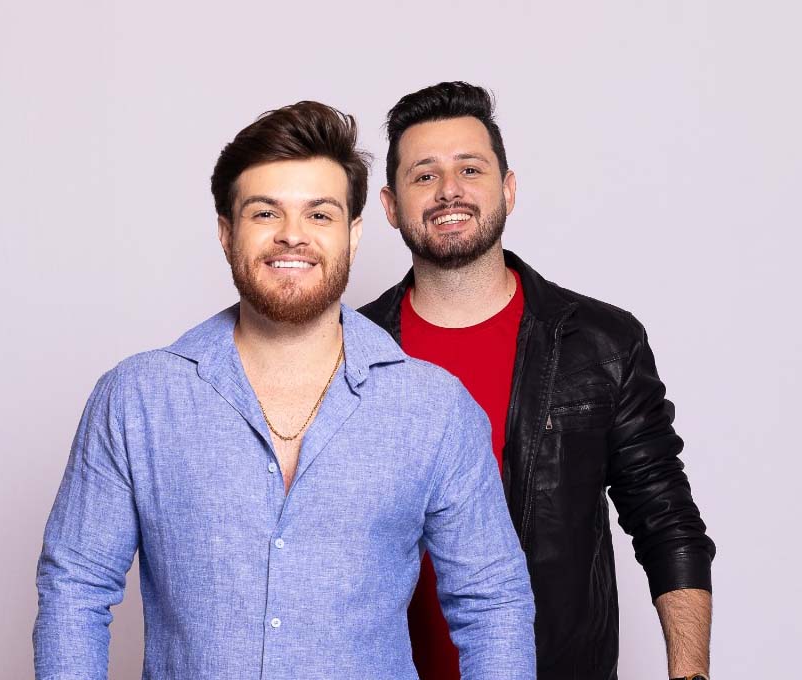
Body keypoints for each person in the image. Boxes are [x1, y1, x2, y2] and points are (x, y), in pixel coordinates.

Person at [32, 100, 536, 680]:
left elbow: (492, 604)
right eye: (265, 213)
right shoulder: (136, 399)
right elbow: (75, 588)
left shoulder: (435, 409)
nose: (292, 236)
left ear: (353, 233)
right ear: (227, 233)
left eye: (319, 214)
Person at [359, 81, 716, 680]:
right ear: (391, 206)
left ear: (508, 189)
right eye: (425, 175)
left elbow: (666, 520)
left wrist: (690, 674)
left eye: (470, 169)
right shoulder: (348, 352)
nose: (449, 190)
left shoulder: (602, 343)